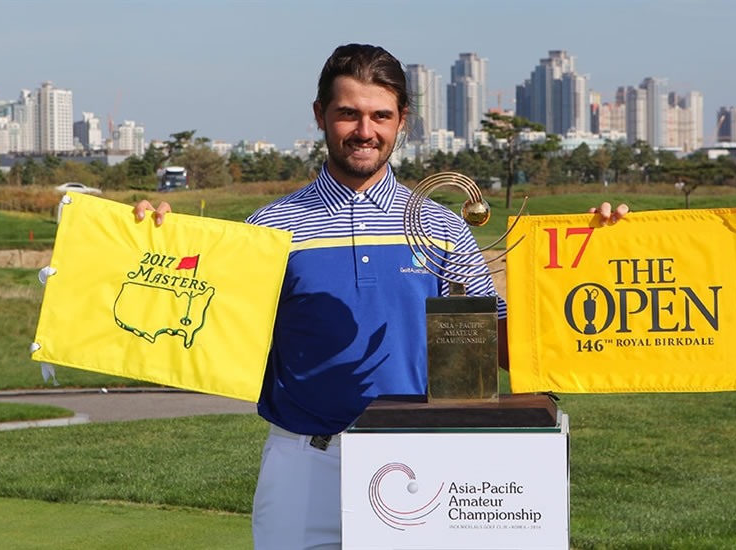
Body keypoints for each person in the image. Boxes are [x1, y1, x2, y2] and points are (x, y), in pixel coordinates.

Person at [134, 43, 628, 550]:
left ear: (402, 121)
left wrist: (595, 259)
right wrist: (156, 247)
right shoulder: (269, 228)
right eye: (348, 113)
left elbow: (506, 354)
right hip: (305, 469)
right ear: (320, 116)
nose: (364, 131)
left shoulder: (445, 229)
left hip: (421, 464)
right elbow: (210, 334)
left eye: (380, 115)